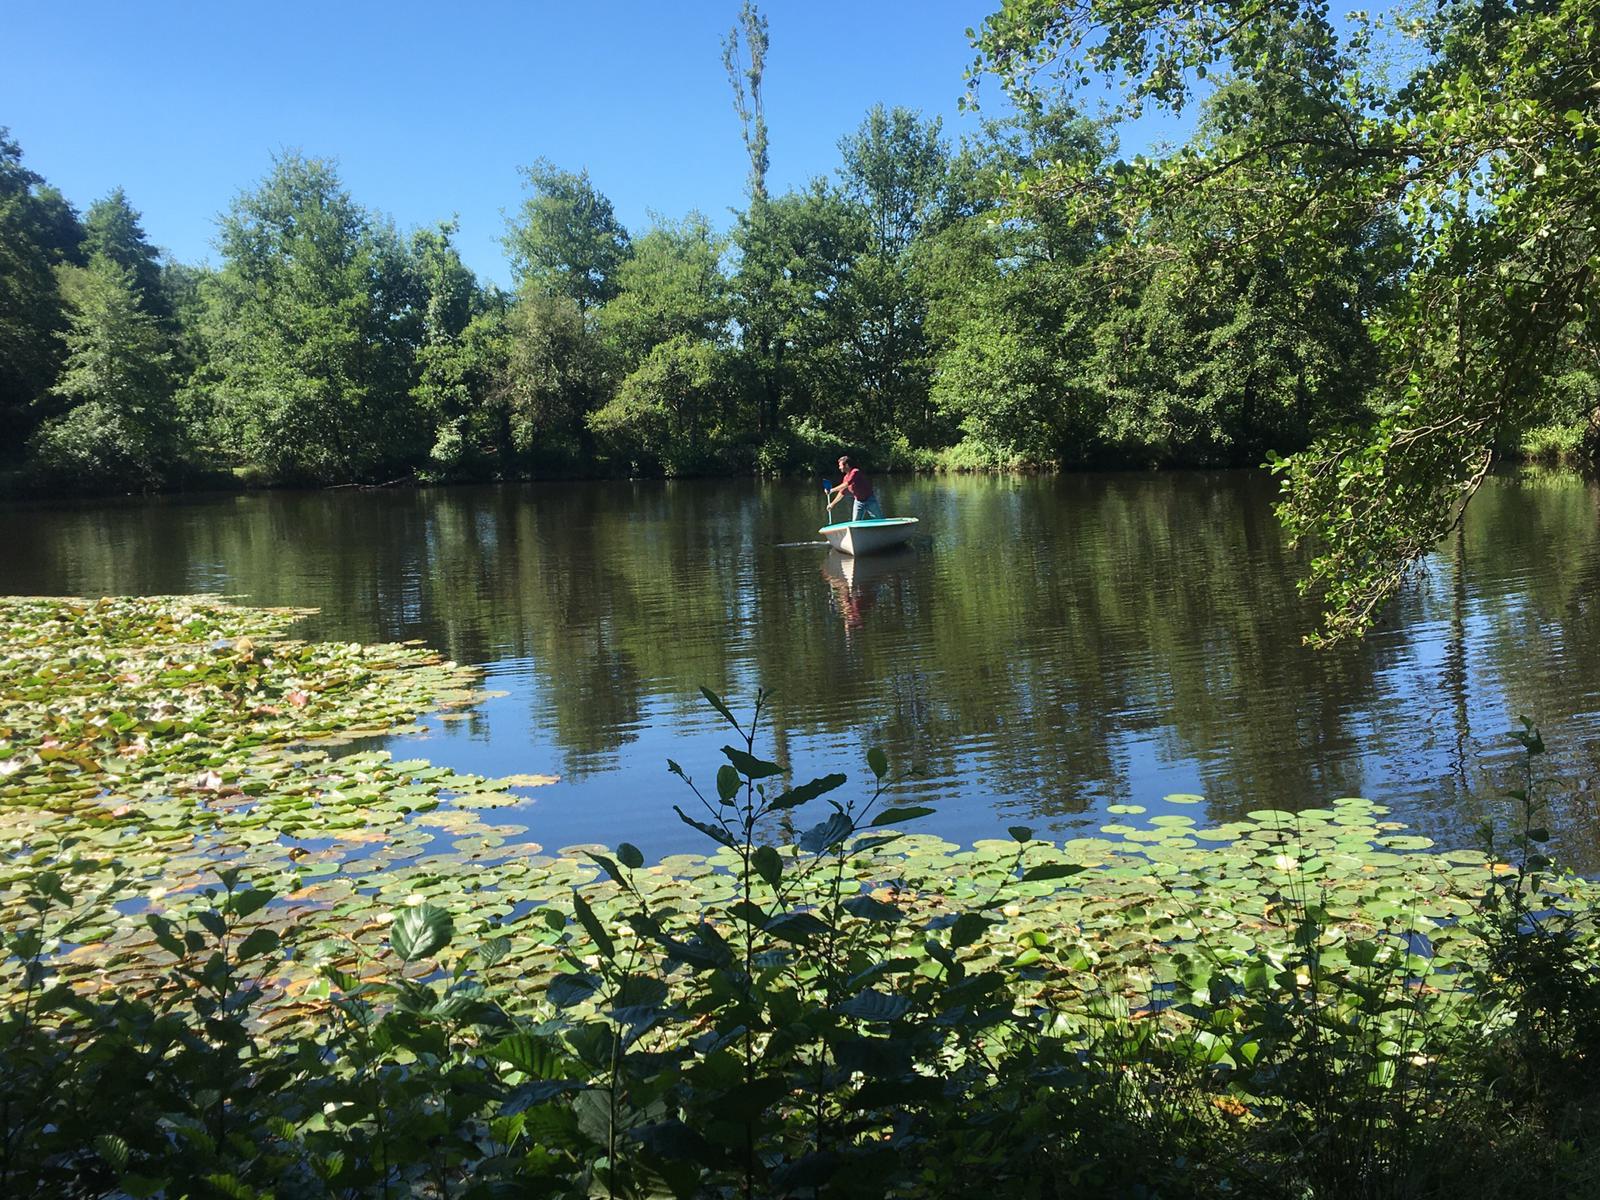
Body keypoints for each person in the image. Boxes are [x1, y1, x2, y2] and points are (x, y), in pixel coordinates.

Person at [827, 455, 883, 521]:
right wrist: (832, 504)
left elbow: (847, 483)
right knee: (855, 523)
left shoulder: (855, 472)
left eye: (840, 465)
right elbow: (842, 492)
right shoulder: (845, 477)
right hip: (858, 502)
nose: (839, 468)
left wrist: (831, 490)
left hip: (869, 500)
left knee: (879, 520)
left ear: (847, 465)